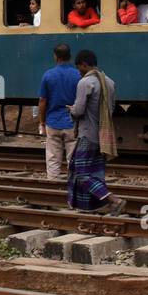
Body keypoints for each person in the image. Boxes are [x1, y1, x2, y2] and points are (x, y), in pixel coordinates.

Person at [66, 50, 126, 215]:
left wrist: (70, 110)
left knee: (81, 173)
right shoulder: (109, 82)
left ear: (84, 64)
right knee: (95, 173)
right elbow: (111, 108)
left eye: (79, 67)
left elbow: (78, 111)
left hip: (87, 134)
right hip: (103, 135)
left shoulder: (85, 83)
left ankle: (113, 199)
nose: (79, 71)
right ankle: (94, 206)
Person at [38, 43, 81, 181]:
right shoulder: (78, 75)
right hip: (72, 123)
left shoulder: (48, 75)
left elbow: (42, 101)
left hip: (53, 122)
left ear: (55, 56)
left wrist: (42, 122)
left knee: (52, 158)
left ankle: (53, 184)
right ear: (70, 56)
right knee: (73, 159)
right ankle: (73, 188)